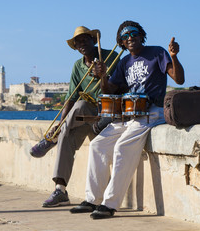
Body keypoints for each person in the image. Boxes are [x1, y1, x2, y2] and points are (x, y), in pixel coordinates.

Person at [69, 20, 185, 219]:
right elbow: (110, 90)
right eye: (124, 36)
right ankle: (92, 199)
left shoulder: (157, 53)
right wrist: (103, 76)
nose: (129, 38)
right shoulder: (124, 62)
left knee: (122, 148)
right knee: (98, 145)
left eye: (133, 33)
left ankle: (110, 204)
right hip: (129, 113)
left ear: (141, 35)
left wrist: (174, 57)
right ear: (121, 42)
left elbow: (179, 79)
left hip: (152, 111)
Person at [31, 26, 119, 207]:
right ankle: (60, 190)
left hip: (106, 113)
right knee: (66, 134)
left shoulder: (111, 57)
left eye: (85, 40)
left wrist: (103, 75)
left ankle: (51, 139)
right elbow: (70, 98)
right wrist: (60, 123)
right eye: (78, 43)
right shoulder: (78, 66)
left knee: (80, 106)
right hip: (84, 116)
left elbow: (118, 87)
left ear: (93, 41)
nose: (81, 45)